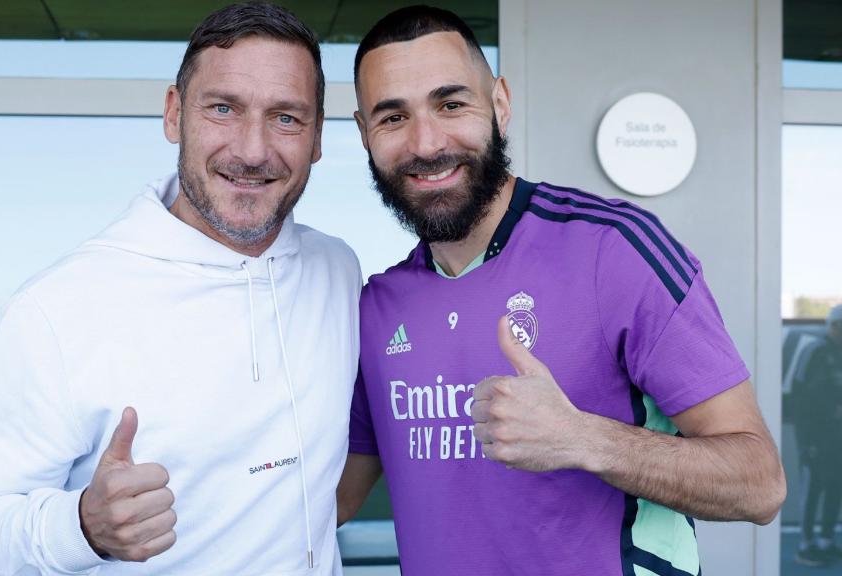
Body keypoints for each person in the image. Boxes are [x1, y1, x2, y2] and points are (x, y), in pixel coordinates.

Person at [336, 6, 786, 575]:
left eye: (451, 104)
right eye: (393, 117)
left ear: (499, 105)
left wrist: (583, 439)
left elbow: (760, 483)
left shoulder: (614, 250)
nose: (427, 143)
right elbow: (336, 499)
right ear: (363, 134)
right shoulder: (378, 305)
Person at [0, 3, 361, 574]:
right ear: (173, 114)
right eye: (223, 108)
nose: (253, 150)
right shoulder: (58, 307)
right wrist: (81, 526)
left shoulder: (336, 270)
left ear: (316, 139)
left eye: (287, 117)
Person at [792, 304, 842, 567]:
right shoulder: (816, 351)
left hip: (836, 436)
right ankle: (806, 544)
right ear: (833, 326)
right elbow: (800, 394)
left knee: (835, 485)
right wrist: (808, 437)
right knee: (813, 486)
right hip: (815, 434)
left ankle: (826, 541)